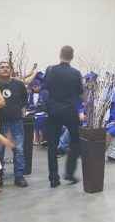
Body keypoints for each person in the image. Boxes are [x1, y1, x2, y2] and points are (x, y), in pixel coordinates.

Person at [42, 46, 83, 188]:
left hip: (53, 111)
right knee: (75, 142)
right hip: (70, 111)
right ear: (72, 56)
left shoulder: (50, 70)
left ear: (60, 55)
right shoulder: (76, 73)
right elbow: (79, 93)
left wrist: (49, 105)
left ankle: (53, 177)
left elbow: (44, 88)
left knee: (52, 145)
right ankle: (69, 173)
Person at [0, 61, 29, 188]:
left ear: (11, 70)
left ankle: (19, 177)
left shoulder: (19, 84)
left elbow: (25, 99)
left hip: (16, 121)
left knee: (19, 149)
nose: (4, 69)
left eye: (7, 67)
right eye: (1, 67)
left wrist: (22, 109)